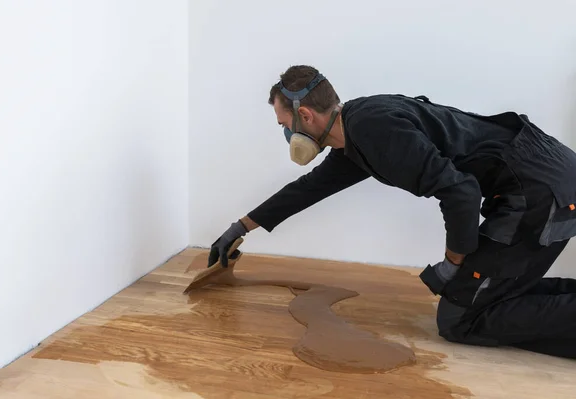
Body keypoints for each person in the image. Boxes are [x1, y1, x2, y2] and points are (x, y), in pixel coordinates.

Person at [207, 65, 576, 358]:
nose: (286, 134)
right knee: (476, 299)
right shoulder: (356, 132)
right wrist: (240, 227)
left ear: (304, 115)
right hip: (534, 178)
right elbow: (307, 189)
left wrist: (453, 261)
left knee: (462, 319)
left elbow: (460, 191)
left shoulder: (373, 130)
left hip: (540, 190)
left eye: (284, 125)